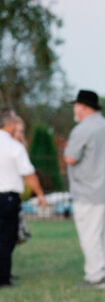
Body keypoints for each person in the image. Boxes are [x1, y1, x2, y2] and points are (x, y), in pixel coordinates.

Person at [64, 89, 105, 288]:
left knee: (90, 235)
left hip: (89, 191)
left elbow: (70, 158)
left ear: (84, 107)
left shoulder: (82, 129)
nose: (75, 109)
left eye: (76, 105)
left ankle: (96, 276)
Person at [0, 108, 46, 286]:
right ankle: (3, 277)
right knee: (7, 237)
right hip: (7, 198)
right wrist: (40, 194)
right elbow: (29, 174)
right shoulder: (13, 146)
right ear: (9, 124)